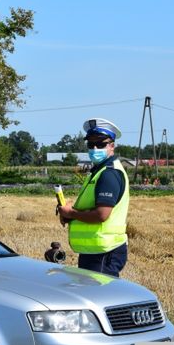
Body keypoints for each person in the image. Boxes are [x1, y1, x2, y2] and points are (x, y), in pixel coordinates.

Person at [57, 118, 129, 276]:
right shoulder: (98, 171)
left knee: (101, 298)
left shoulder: (109, 173)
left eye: (100, 144)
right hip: (94, 250)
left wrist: (71, 214)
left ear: (112, 145)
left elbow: (101, 214)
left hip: (105, 251)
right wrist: (70, 213)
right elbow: (90, 208)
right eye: (91, 144)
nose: (95, 148)